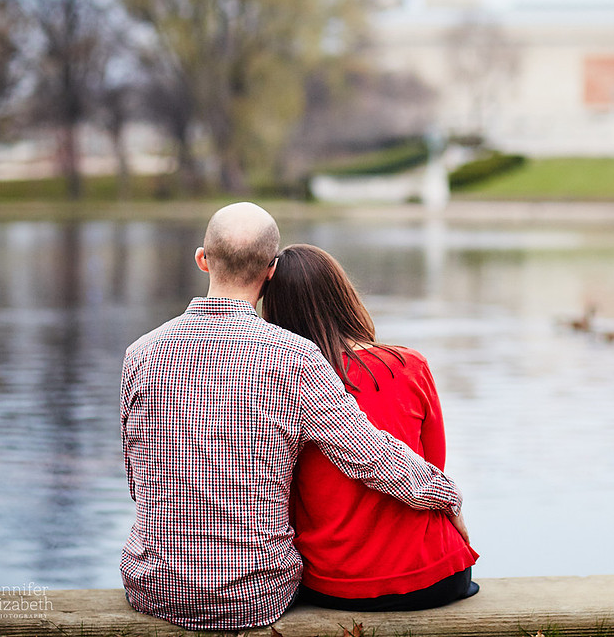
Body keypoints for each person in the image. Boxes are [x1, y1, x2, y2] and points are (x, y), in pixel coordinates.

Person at [120, 202, 465, 630]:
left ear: (202, 259)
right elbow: (370, 456)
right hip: (255, 594)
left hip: (151, 586)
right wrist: (445, 495)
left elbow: (136, 481)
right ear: (270, 271)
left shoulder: (140, 354)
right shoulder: (295, 358)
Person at [261, 243, 479, 611]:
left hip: (334, 583)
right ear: (343, 295)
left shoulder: (280, 382)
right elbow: (432, 466)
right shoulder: (411, 366)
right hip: (436, 575)